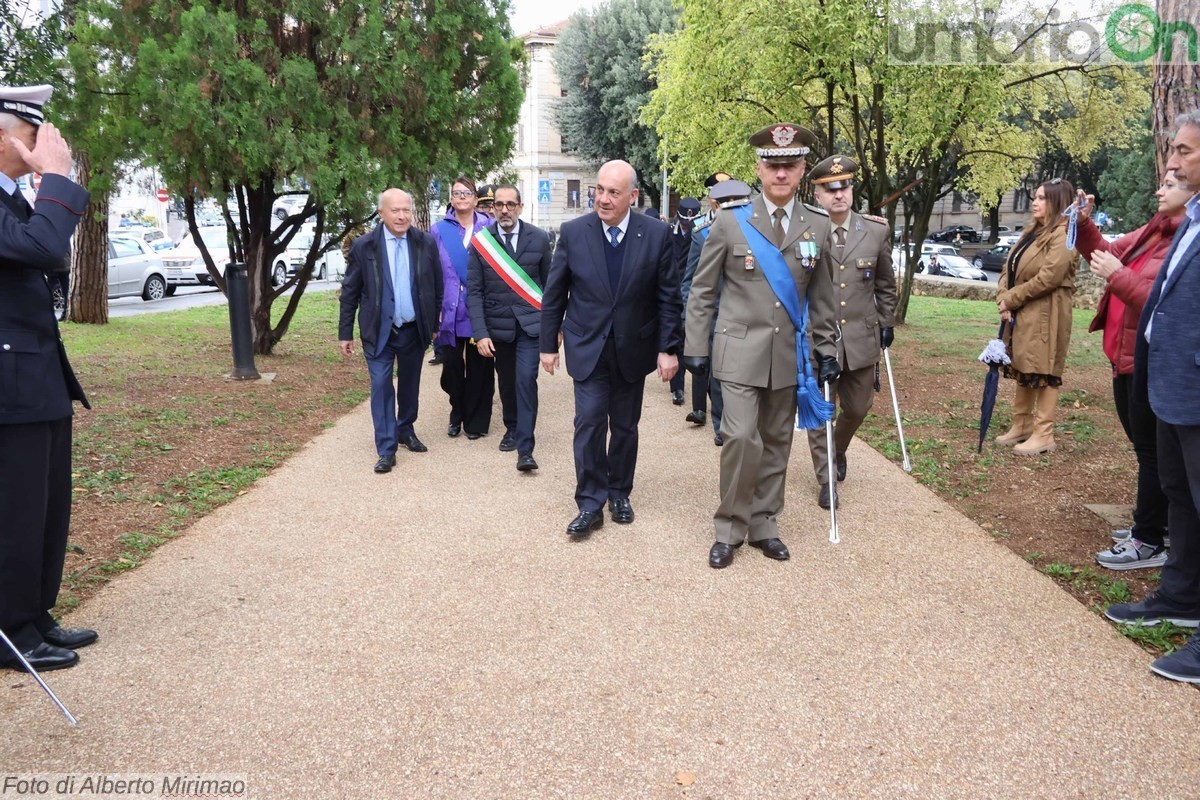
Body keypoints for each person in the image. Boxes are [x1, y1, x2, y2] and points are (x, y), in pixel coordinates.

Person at [683, 123, 838, 569]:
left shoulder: (818, 226)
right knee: (740, 437)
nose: (781, 174)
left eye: (790, 165)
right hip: (737, 351)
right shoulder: (731, 222)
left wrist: (826, 350)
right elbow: (703, 290)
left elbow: (823, 297)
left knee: (775, 441)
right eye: (773, 165)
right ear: (759, 168)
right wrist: (696, 344)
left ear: (802, 168)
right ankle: (729, 527)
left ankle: (765, 523)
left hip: (789, 354)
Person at [0, 84, 95, 672]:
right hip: (9, 384)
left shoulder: (10, 199)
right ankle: (10, 630)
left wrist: (45, 195)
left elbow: (49, 253)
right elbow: (42, 246)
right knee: (15, 509)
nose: (45, 142)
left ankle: (34, 615)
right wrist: (56, 180)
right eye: (33, 130)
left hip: (36, 375)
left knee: (45, 506)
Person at [1105, 111, 1200, 683]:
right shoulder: (1191, 219)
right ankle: (1182, 595)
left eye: (1186, 151)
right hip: (1171, 385)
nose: (1173, 161)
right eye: (1173, 150)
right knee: (1182, 496)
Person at [540, 159, 681, 538]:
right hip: (588, 347)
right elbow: (555, 294)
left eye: (612, 192)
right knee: (587, 424)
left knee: (624, 427)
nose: (602, 199)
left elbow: (668, 297)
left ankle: (619, 493)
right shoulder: (573, 233)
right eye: (598, 190)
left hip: (632, 350)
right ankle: (590, 502)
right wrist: (547, 343)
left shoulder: (655, 235)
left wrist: (668, 348)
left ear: (632, 196)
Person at [1074, 174, 1190, 571]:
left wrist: (1116, 274)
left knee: (1153, 453)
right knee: (1148, 452)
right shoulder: (1153, 231)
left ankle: (1148, 539)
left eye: (1172, 183)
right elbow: (1103, 251)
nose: (1160, 189)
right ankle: (1156, 525)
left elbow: (1160, 303)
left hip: (1149, 359)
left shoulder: (1185, 242)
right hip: (1125, 358)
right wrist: (1085, 224)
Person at [804, 155, 896, 510]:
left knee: (858, 408)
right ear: (817, 194)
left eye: (844, 186)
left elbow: (886, 284)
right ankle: (827, 480)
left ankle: (838, 447)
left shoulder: (875, 230)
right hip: (817, 337)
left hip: (861, 336)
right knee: (820, 412)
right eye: (830, 188)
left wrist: (886, 322)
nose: (839, 194)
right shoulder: (806, 229)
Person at [338, 188, 443, 472]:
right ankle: (386, 447)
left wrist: (434, 325)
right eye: (394, 210)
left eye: (406, 210)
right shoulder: (364, 246)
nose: (401, 216)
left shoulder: (425, 243)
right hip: (378, 330)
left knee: (410, 385)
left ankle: (405, 428)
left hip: (413, 329)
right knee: (381, 385)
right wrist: (345, 333)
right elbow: (350, 291)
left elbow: (436, 286)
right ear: (382, 214)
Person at [466, 185, 553, 471]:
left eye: (510, 204)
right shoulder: (481, 243)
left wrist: (555, 328)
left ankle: (525, 449)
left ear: (520, 206)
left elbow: (550, 288)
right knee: (506, 382)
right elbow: (474, 292)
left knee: (526, 380)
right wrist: (480, 333)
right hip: (497, 328)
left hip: (530, 326)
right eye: (499, 205)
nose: (504, 210)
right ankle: (512, 428)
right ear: (492, 208)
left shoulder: (540, 239)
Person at [994, 179, 1078, 455]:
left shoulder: (1065, 233)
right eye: (1035, 196)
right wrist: (1003, 298)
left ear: (1057, 202)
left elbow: (1049, 277)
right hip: (1024, 310)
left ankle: (1044, 434)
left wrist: (1012, 298)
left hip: (1047, 311)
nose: (1035, 202)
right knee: (1024, 364)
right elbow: (1010, 267)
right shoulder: (1034, 231)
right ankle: (1022, 425)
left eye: (1042, 198)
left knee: (1045, 369)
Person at [681, 175, 748, 446]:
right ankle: (711, 418)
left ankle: (728, 423)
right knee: (711, 373)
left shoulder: (752, 230)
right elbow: (690, 281)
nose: (728, 205)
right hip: (712, 316)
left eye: (733, 200)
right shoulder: (702, 233)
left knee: (730, 375)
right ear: (713, 202)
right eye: (723, 201)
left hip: (740, 315)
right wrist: (690, 318)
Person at [431, 177, 496, 440]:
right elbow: (432, 271)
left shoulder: (489, 228)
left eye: (466, 192)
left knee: (481, 369)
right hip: (449, 311)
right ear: (451, 197)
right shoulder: (439, 230)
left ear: (475, 198)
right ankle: (457, 409)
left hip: (479, 311)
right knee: (453, 370)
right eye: (456, 193)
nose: (461, 197)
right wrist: (434, 307)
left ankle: (476, 421)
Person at [667, 197, 701, 407]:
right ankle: (677, 388)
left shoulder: (703, 234)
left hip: (695, 294)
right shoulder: (667, 234)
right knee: (676, 341)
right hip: (672, 294)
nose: (688, 225)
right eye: (684, 221)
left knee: (696, 342)